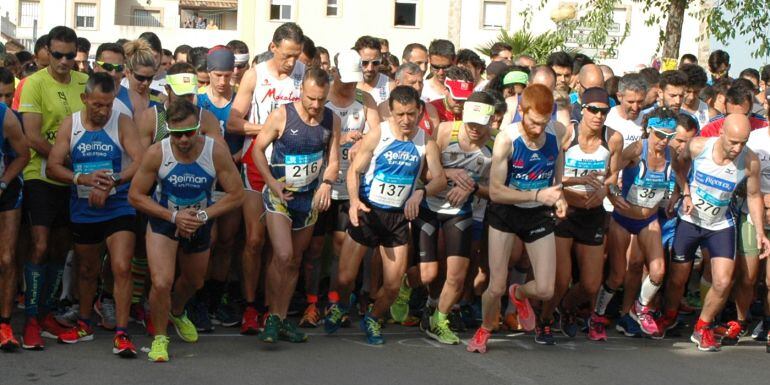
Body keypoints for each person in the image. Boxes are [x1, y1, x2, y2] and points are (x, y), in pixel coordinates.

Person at [324, 85, 446, 345]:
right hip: (368, 210)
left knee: (392, 286)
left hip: (398, 218)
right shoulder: (379, 133)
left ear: (419, 111)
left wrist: (420, 193)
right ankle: (342, 305)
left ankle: (373, 317)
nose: (406, 120)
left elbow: (440, 179)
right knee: (345, 278)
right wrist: (354, 202)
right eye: (400, 114)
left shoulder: (426, 142)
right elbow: (354, 171)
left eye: (411, 114)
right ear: (390, 112)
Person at [128, 98, 244, 362]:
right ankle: (160, 338)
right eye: (176, 134)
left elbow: (237, 194)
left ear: (199, 128)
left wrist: (203, 216)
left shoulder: (215, 152)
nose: (183, 140)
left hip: (199, 220)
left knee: (194, 281)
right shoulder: (157, 153)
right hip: (165, 220)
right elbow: (135, 195)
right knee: (161, 282)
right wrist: (173, 216)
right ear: (168, 130)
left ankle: (177, 310)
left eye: (189, 133)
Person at [46, 73, 144, 356]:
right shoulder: (72, 124)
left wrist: (115, 180)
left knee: (121, 266)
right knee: (87, 270)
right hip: (84, 207)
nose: (103, 111)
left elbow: (140, 160)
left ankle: (122, 333)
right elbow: (53, 166)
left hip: (119, 205)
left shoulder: (122, 122)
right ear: (84, 98)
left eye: (108, 105)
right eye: (97, 105)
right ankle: (85, 323)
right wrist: (81, 179)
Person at [467, 84, 567, 353]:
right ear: (521, 111)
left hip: (537, 213)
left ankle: (519, 293)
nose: (538, 129)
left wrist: (558, 194)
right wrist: (537, 194)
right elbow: (496, 192)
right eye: (533, 122)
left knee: (546, 289)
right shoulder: (506, 139)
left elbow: (557, 163)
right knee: (496, 285)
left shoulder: (557, 132)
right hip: (506, 212)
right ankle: (485, 328)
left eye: (543, 123)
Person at [665, 114, 770, 352]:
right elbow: (679, 166)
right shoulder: (698, 146)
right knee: (678, 278)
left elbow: (754, 196)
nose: (737, 148)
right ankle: (669, 315)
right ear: (721, 133)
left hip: (720, 224)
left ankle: (702, 327)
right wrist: (683, 193)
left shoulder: (750, 161)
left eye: (743, 143)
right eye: (733, 142)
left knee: (723, 281)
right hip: (690, 219)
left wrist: (760, 232)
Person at [251, 66, 341, 343]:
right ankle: (270, 316)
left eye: (321, 99)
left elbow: (333, 160)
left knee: (295, 261)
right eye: (311, 98)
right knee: (283, 255)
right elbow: (257, 149)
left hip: (308, 199)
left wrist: (326, 184)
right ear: (301, 91)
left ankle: (279, 318)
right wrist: (271, 182)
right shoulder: (282, 115)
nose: (315, 105)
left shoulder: (331, 120)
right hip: (280, 196)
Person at [227, 22, 306, 335]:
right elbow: (234, 122)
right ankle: (250, 305)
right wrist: (272, 129)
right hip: (256, 162)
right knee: (254, 240)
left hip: (291, 167)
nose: (291, 62)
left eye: (296, 56)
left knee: (281, 247)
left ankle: (274, 310)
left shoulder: (304, 75)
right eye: (286, 55)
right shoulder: (255, 74)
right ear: (273, 47)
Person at [18, 25, 88, 350]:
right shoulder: (34, 83)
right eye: (57, 54)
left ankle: (47, 312)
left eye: (69, 56)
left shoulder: (84, 82)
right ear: (47, 50)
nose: (63, 61)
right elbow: (32, 136)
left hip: (75, 178)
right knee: (40, 245)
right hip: (42, 174)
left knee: (62, 247)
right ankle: (31, 318)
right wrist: (62, 162)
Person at [300, 50, 381, 328]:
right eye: (345, 80)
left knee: (339, 247)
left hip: (349, 187)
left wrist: (364, 142)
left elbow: (379, 134)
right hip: (320, 184)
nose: (349, 86)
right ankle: (311, 303)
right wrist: (340, 138)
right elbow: (306, 131)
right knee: (314, 248)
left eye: (354, 80)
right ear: (335, 72)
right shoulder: (322, 98)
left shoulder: (365, 100)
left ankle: (336, 303)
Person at [410, 91, 494, 344]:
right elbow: (423, 172)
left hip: (461, 211)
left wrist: (472, 187)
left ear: (491, 121)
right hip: (430, 206)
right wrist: (448, 172)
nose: (475, 129)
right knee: (427, 275)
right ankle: (412, 292)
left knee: (457, 275)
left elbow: (497, 191)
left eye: (481, 125)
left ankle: (439, 320)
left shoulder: (496, 143)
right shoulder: (447, 131)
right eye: (471, 124)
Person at [541, 88, 623, 343]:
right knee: (561, 279)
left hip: (592, 214)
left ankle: (566, 307)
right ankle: (544, 320)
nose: (599, 116)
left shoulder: (614, 138)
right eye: (593, 110)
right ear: (582, 110)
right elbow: (550, 173)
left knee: (590, 285)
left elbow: (613, 174)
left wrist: (606, 189)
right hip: (565, 212)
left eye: (604, 111)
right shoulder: (567, 134)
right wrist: (575, 182)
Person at [191, 46, 241, 329]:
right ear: (208, 73)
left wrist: (238, 155)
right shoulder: (198, 101)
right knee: (207, 240)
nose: (222, 81)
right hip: (205, 181)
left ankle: (215, 297)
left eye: (227, 75)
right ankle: (197, 298)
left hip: (231, 178)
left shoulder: (240, 100)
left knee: (227, 241)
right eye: (217, 75)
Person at [0, 93, 30, 351]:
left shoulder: (5, 116)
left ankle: (5, 324)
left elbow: (23, 155)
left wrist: (3, 182)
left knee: (7, 258)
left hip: (6, 192)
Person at [378, 62, 440, 138]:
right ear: (398, 83)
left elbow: (436, 140)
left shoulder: (430, 109)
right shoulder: (384, 108)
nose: (418, 87)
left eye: (420, 82)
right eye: (412, 83)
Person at [122, 39, 164, 116]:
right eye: (140, 78)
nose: (145, 83)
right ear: (128, 73)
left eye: (150, 78)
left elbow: (161, 123)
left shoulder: (160, 100)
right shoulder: (117, 99)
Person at [92, 43, 131, 117]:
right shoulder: (81, 93)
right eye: (108, 67)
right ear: (95, 66)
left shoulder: (134, 99)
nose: (113, 74)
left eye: (118, 68)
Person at [354, 36, 393, 105]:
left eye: (375, 63)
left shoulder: (390, 86)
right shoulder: (346, 84)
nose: (370, 68)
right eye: (365, 63)